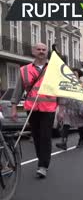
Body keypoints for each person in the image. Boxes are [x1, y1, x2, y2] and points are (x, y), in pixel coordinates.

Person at [11, 43, 57, 178]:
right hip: (32, 108)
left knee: (45, 136)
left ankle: (43, 165)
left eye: (44, 49)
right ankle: (40, 160)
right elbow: (18, 90)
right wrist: (14, 107)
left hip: (49, 108)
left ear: (47, 52)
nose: (41, 51)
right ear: (33, 52)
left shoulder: (54, 70)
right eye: (39, 49)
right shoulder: (24, 70)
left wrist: (61, 108)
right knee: (36, 137)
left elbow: (61, 89)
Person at [55, 69, 83, 150]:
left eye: (75, 74)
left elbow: (82, 94)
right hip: (68, 106)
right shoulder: (66, 83)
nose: (73, 76)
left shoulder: (81, 84)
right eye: (72, 74)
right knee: (66, 123)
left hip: (78, 106)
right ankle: (64, 142)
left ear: (78, 76)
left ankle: (81, 140)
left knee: (80, 124)